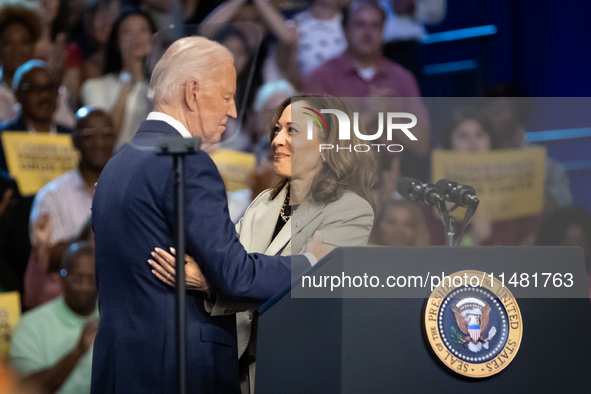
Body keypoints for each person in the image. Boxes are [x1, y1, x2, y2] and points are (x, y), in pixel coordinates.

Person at [90, 36, 324, 394]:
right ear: (193, 91)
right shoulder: (187, 162)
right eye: (227, 96)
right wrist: (311, 263)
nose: (232, 111)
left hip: (121, 370)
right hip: (177, 373)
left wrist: (210, 280)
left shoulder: (116, 165)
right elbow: (236, 275)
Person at [149, 95, 376, 393]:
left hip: (297, 370)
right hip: (238, 369)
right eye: (277, 130)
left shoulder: (351, 209)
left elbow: (305, 295)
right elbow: (236, 270)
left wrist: (211, 284)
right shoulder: (263, 203)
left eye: (292, 131)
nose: (277, 140)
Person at [301, 0, 430, 158]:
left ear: (383, 31)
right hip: (338, 177)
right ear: (344, 30)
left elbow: (423, 143)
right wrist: (367, 117)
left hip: (395, 177)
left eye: (375, 26)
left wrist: (386, 118)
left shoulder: (403, 78)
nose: (368, 32)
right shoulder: (322, 76)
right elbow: (309, 139)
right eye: (359, 24)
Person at [26, 107, 116, 309]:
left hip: (119, 298)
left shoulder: (130, 190)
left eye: (106, 135)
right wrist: (91, 229)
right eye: (89, 135)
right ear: (74, 141)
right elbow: (47, 257)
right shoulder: (52, 195)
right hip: (67, 303)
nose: (99, 142)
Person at [11, 242, 99, 394]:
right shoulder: (31, 325)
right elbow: (24, 389)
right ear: (61, 276)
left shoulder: (114, 319)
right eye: (76, 278)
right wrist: (78, 352)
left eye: (92, 279)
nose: (85, 286)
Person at [81, 8, 157, 150]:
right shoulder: (94, 86)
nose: (136, 37)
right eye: (127, 32)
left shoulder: (159, 89)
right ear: (116, 41)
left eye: (143, 30)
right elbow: (109, 135)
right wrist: (127, 78)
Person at [0, 60, 72, 172]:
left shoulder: (73, 139)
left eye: (49, 88)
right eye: (34, 89)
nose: (44, 96)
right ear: (17, 94)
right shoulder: (3, 140)